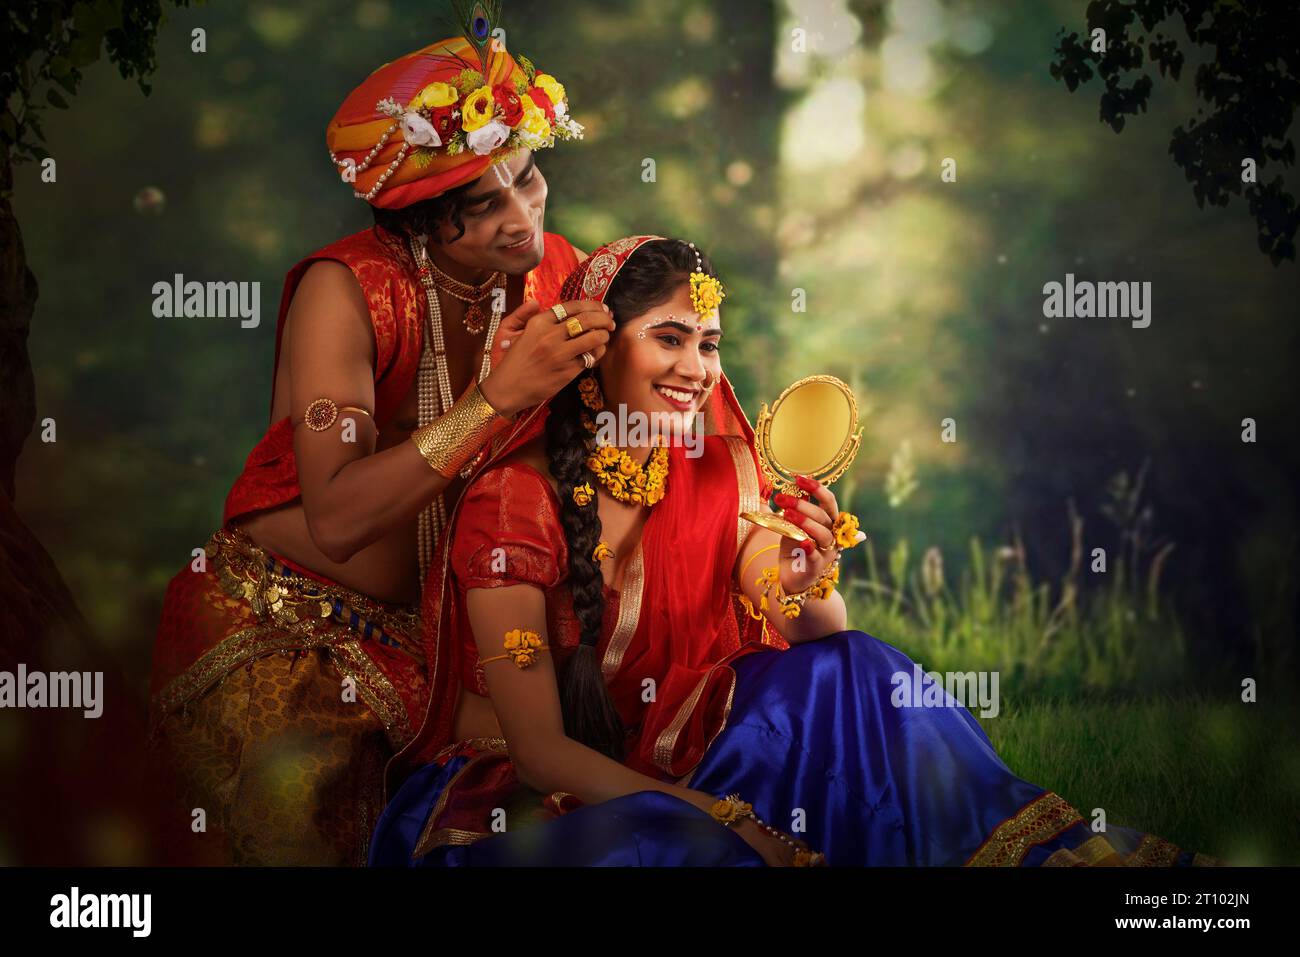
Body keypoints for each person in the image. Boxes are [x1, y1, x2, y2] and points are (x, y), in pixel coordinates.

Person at [370, 236, 1225, 867]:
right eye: (669, 338)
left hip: (682, 741)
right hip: (537, 797)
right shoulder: (512, 504)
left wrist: (804, 578)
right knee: (683, 845)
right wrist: (726, 815)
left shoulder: (707, 465)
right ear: (595, 356)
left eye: (709, 343)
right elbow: (540, 753)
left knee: (859, 665)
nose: (699, 367)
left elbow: (808, 623)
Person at [149, 18, 616, 865]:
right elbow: (336, 519)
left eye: (530, 178)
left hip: (447, 631)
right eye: (485, 206)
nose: (523, 219)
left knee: (585, 770)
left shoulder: (555, 272)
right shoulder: (349, 292)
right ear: (418, 217)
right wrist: (496, 398)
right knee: (302, 811)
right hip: (291, 625)